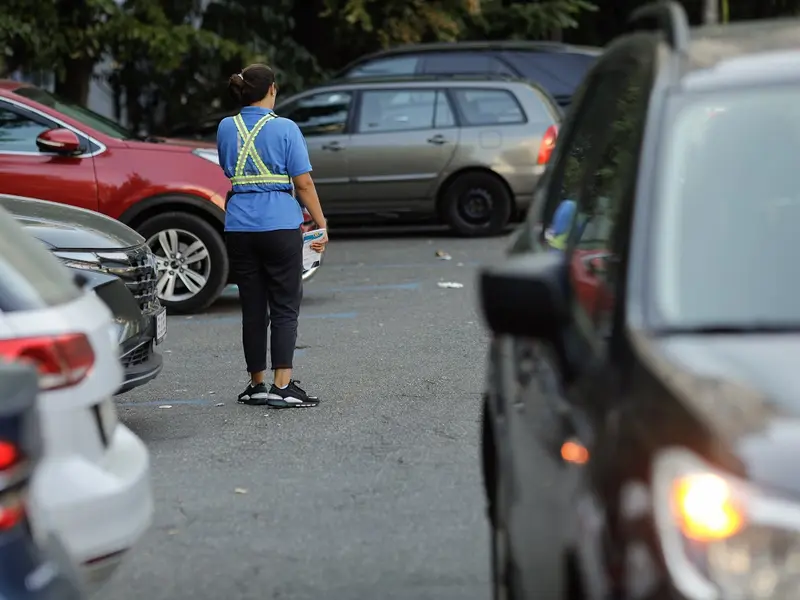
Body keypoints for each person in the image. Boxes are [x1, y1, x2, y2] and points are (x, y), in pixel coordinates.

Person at [217, 64, 328, 408]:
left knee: (252, 307)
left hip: (238, 226)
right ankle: (283, 387)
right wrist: (321, 223)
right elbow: (304, 182)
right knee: (284, 305)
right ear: (272, 90)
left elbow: (226, 168)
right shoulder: (285, 128)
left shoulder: (225, 127)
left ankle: (257, 384)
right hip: (279, 225)